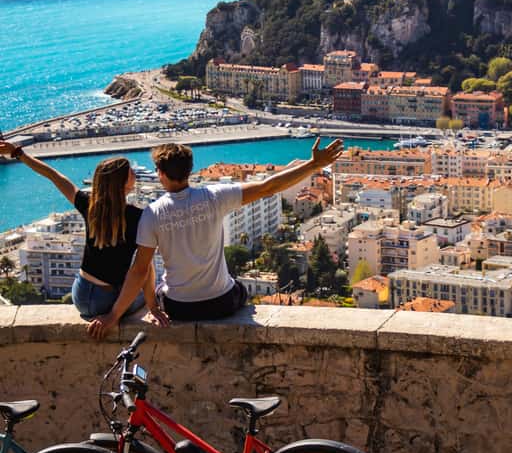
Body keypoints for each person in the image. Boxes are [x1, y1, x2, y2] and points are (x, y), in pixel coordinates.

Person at [87, 136, 343, 336]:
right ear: (189, 170)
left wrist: (125, 314)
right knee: (237, 285)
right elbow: (269, 186)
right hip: (221, 303)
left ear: (160, 172)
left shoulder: (152, 214)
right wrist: (314, 165)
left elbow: (140, 270)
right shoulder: (214, 197)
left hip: (179, 307)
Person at [0, 142, 162, 320]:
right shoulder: (138, 217)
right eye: (130, 171)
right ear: (123, 182)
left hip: (81, 294)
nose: (134, 173)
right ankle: (153, 307)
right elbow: (141, 272)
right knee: (147, 269)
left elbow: (54, 176)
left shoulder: (89, 205)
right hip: (104, 301)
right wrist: (119, 315)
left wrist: (18, 153)